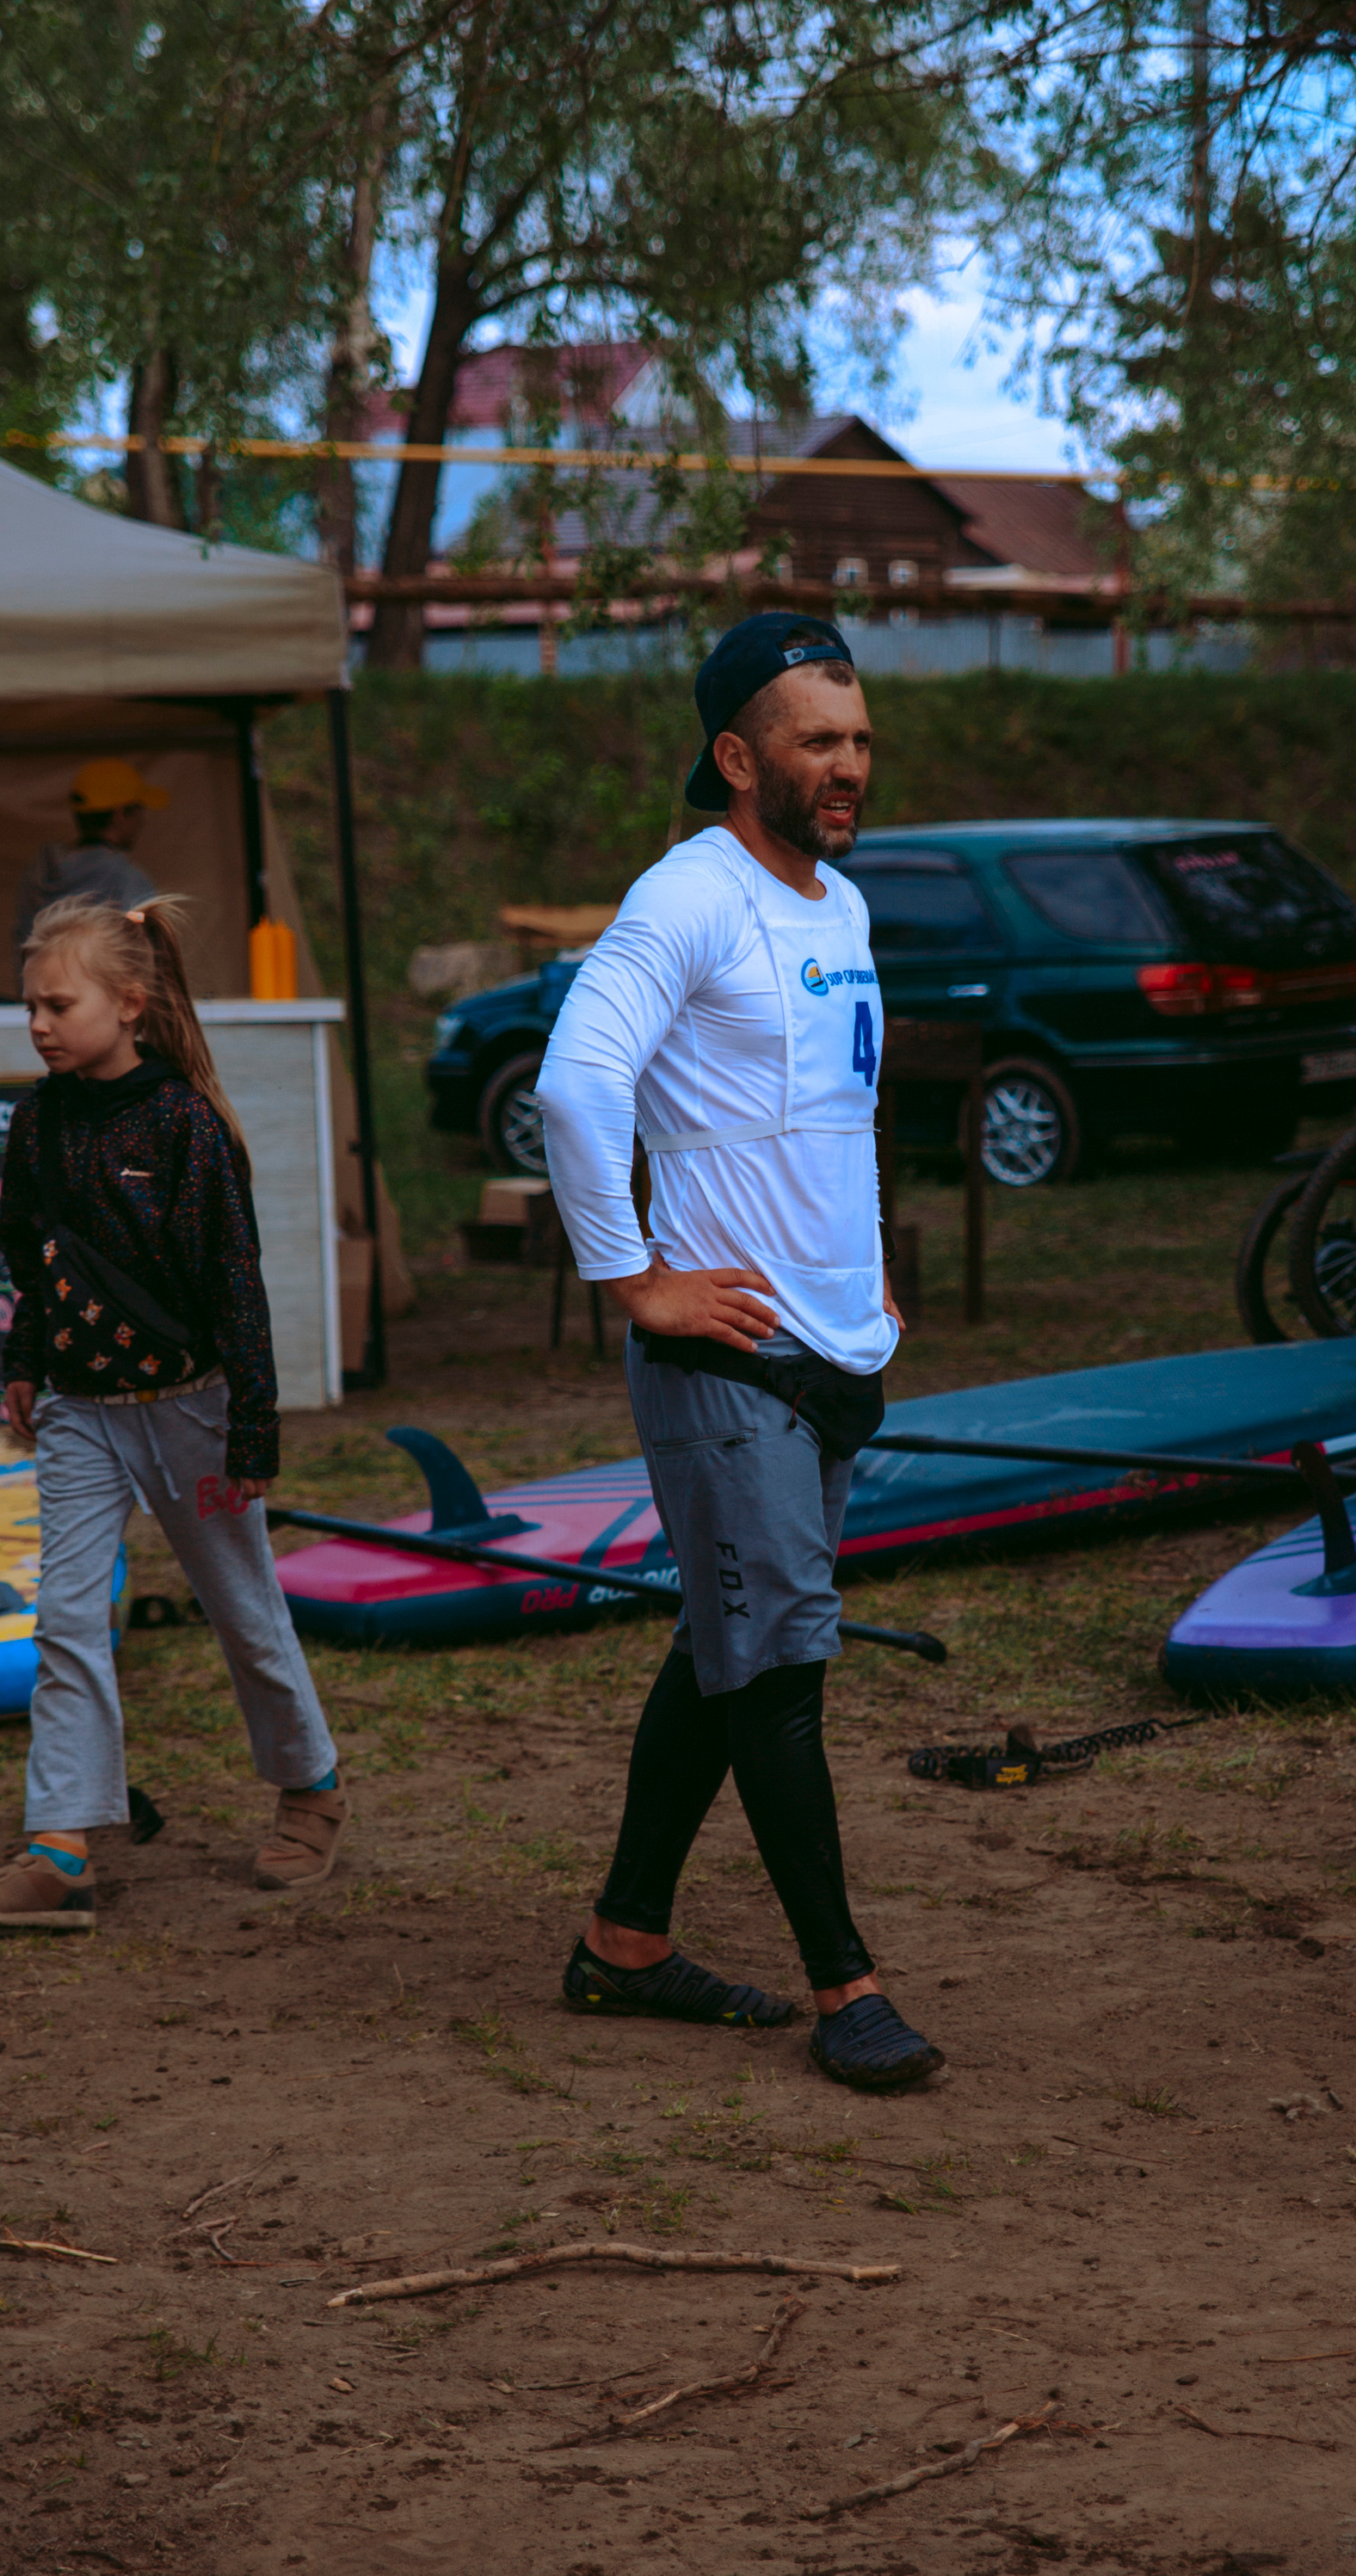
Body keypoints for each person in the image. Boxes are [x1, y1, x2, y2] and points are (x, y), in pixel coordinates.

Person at [533, 611, 943, 2093]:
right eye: (816, 742)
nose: (847, 767)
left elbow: (849, 1105)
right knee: (777, 1658)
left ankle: (625, 1939)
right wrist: (634, 1279)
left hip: (837, 1336)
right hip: (731, 1355)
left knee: (730, 1644)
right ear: (735, 755)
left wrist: (874, 1262)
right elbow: (578, 1083)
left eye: (859, 741)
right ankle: (850, 1986)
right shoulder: (686, 896)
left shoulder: (841, 904)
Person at [0, 891, 345, 1932]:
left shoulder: (184, 1124)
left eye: (55, 1004)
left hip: (193, 1412)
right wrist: (25, 1358)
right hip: (81, 1414)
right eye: (28, 1005)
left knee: (244, 1612)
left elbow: (234, 1281)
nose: (36, 1023)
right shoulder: (36, 1118)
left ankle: (311, 1785)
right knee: (67, 1619)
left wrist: (255, 1425)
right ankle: (59, 1847)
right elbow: (28, 1252)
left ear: (129, 1003)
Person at [11, 756, 167, 968]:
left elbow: (23, 947)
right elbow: (148, 958)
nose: (143, 819)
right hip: (107, 997)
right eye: (139, 809)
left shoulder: (38, 874)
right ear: (120, 814)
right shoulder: (128, 880)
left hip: (43, 993)